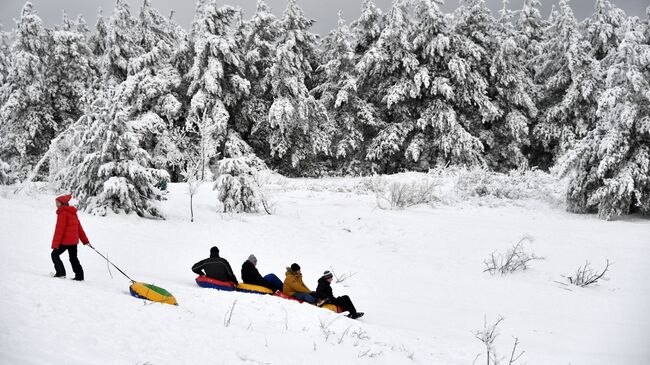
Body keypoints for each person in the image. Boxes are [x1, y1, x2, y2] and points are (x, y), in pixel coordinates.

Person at [51, 194, 90, 281]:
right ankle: (79, 276)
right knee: (73, 258)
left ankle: (60, 273)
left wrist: (55, 245)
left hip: (65, 242)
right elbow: (79, 228)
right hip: (74, 242)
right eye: (56, 202)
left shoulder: (63, 213)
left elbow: (59, 230)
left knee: (54, 254)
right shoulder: (73, 213)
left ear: (63, 203)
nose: (56, 204)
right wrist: (85, 241)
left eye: (58, 203)